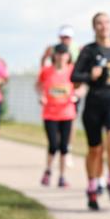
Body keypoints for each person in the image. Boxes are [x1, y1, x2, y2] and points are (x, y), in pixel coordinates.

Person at [71, 12, 110, 210]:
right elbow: (74, 77)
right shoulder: (89, 50)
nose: (104, 26)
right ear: (94, 27)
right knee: (95, 149)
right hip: (94, 102)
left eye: (107, 22)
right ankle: (92, 186)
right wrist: (90, 75)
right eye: (99, 23)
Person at [36, 43, 79, 187]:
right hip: (50, 113)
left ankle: (62, 176)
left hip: (67, 113)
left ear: (68, 56)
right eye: (59, 54)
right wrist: (41, 96)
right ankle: (48, 171)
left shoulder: (73, 70)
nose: (61, 57)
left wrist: (77, 95)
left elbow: (82, 86)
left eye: (64, 54)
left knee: (64, 147)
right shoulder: (46, 71)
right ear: (54, 55)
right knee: (53, 145)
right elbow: (38, 85)